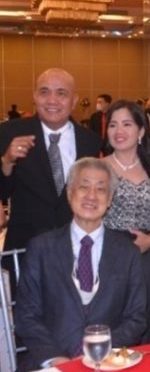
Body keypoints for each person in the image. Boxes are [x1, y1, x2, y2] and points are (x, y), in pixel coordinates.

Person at [15, 158, 146, 372]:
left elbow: (136, 318)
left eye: (101, 189)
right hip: (48, 365)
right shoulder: (41, 248)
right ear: (69, 194)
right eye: (83, 186)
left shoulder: (127, 252)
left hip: (108, 364)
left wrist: (100, 352)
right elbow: (26, 316)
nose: (91, 196)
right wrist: (54, 358)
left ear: (110, 199)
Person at [0, 68, 101, 255]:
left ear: (74, 101)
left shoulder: (91, 141)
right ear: (35, 97)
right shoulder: (9, 133)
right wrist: (7, 161)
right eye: (44, 92)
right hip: (25, 247)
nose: (52, 100)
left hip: (76, 248)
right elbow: (4, 191)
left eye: (61, 93)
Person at [101, 100, 150, 342]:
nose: (119, 131)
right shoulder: (98, 168)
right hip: (108, 255)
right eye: (113, 125)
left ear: (141, 131)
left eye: (127, 124)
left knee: (146, 318)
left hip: (147, 252)